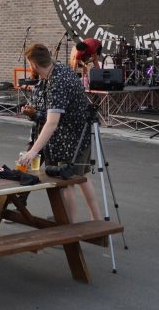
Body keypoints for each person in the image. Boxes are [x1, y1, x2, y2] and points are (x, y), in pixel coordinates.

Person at [17, 44, 100, 223]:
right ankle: (96, 218)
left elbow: (52, 122)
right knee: (81, 176)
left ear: (34, 64)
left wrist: (32, 152)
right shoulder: (61, 69)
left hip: (68, 138)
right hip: (78, 135)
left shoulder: (57, 82)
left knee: (66, 182)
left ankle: (68, 224)